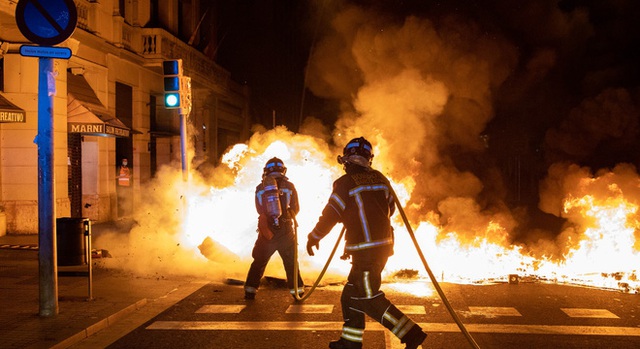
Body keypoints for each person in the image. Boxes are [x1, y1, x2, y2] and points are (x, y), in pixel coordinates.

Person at [306, 137, 428, 349]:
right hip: (381, 248)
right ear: (368, 159)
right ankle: (350, 342)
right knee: (350, 295)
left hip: (365, 253)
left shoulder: (344, 183)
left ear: (347, 159)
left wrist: (314, 237)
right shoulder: (380, 179)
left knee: (368, 298)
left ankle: (410, 333)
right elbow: (390, 207)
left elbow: (331, 214)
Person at [244, 157, 305, 300]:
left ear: (266, 171)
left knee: (259, 261)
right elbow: (296, 208)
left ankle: (250, 291)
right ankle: (298, 292)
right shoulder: (290, 186)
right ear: (283, 170)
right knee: (291, 263)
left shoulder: (260, 188)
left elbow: (259, 209)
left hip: (267, 233)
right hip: (286, 232)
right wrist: (287, 217)